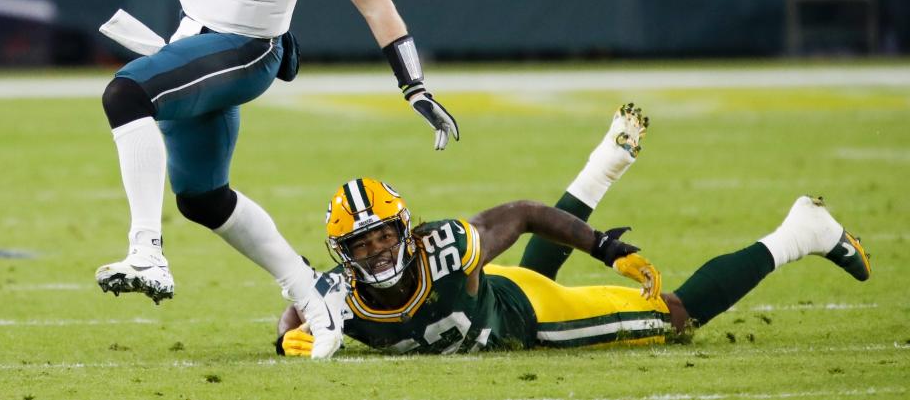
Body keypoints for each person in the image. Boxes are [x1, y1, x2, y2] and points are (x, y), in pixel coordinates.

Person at [87, 0, 458, 359]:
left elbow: (373, 1)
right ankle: (316, 297)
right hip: (196, 34)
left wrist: (414, 84)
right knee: (203, 198)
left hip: (248, 48)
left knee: (126, 94)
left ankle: (146, 252)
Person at [276, 104, 871, 355]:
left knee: (674, 318)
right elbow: (301, 304)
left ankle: (803, 230)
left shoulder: (446, 246)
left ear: (405, 230)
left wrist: (609, 250)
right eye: (362, 242)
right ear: (344, 252)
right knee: (525, 272)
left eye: (382, 234)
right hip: (501, 295)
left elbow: (528, 212)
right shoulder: (338, 295)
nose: (377, 250)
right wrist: (288, 338)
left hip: (530, 318)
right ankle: (605, 163)